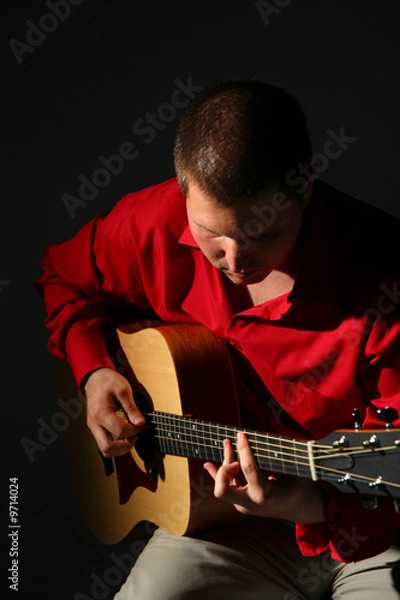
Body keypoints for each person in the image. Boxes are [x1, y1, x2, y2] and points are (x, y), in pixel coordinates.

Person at [35, 79, 400, 599]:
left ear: (306, 187)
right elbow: (62, 274)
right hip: (225, 521)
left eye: (262, 234)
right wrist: (94, 370)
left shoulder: (384, 285)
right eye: (211, 234)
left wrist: (304, 504)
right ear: (184, 192)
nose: (234, 260)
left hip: (373, 526)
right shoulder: (155, 222)